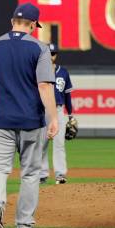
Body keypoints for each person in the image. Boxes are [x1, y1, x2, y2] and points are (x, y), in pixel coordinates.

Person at [0, 2, 58, 228]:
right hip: (31, 122)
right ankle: (24, 224)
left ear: (13, 22)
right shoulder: (39, 48)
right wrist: (53, 118)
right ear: (33, 25)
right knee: (30, 173)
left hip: (1, 121)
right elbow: (44, 86)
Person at [40, 43, 74, 185]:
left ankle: (60, 174)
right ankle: (42, 174)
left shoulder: (63, 72)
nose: (52, 56)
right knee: (41, 144)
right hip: (42, 111)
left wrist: (71, 114)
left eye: (53, 54)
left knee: (59, 144)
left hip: (59, 111)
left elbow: (67, 96)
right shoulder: (38, 72)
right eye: (49, 53)